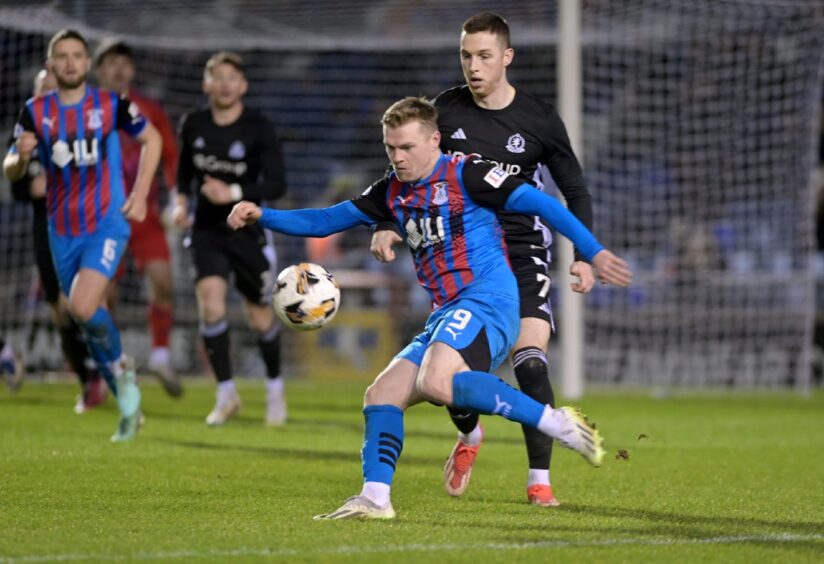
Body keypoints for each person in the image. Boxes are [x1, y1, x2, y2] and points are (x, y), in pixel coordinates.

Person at [227, 96, 632, 519]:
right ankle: (376, 497)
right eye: (390, 149)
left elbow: (544, 204)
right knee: (381, 394)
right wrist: (264, 216)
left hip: (489, 299)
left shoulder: (469, 174)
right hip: (446, 311)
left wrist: (592, 250)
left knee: (439, 380)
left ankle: (555, 423)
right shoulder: (392, 191)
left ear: (435, 140)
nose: (398, 158)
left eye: (407, 148)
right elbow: (326, 220)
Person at [371, 12, 593, 507]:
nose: (473, 65)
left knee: (531, 363)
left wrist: (582, 254)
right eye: (466, 55)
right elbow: (401, 163)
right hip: (463, 254)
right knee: (448, 370)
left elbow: (573, 187)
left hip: (521, 251)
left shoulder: (538, 118)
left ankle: (540, 482)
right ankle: (470, 435)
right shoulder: (445, 111)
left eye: (484, 56)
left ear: (507, 57)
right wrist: (386, 222)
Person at [3, 28, 163, 441]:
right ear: (51, 65)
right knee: (82, 314)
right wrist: (19, 160)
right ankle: (122, 379)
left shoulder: (109, 105)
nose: (71, 62)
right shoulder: (35, 112)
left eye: (78, 55)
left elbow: (153, 139)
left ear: (87, 63)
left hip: (106, 223)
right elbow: (10, 169)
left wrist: (141, 194)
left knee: (84, 304)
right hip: (62, 229)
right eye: (63, 56)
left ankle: (123, 382)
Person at [172, 51, 287, 426]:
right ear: (206, 83)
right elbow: (184, 172)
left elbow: (277, 183)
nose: (224, 84)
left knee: (258, 317)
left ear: (243, 86)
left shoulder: (259, 127)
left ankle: (275, 390)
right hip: (206, 230)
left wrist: (234, 191)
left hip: (248, 232)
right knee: (212, 306)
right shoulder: (193, 124)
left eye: (231, 77)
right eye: (216, 77)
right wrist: (179, 204)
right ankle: (225, 395)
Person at [8, 67, 105, 412]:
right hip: (45, 231)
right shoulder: (26, 136)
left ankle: (103, 373)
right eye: (41, 91)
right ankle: (88, 377)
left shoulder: (85, 129)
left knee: (80, 304)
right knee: (61, 311)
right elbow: (18, 185)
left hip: (85, 229)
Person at [94, 39, 182, 397]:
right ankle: (109, 366)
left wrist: (176, 199)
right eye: (111, 62)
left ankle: (160, 356)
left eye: (124, 62)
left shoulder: (149, 109)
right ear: (98, 68)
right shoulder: (87, 110)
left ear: (132, 69)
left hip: (144, 214)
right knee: (104, 296)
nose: (118, 68)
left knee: (163, 282)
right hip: (101, 217)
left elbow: (171, 157)